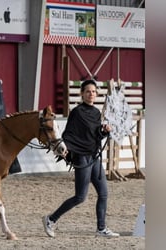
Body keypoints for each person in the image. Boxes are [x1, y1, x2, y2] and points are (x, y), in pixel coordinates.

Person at [42, 79, 119, 238]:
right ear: (82, 94)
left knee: (103, 193)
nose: (91, 94)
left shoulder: (97, 113)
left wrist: (104, 131)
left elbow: (95, 136)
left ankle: (101, 228)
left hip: (94, 157)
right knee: (80, 197)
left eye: (94, 91)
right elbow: (68, 134)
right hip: (82, 158)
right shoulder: (77, 112)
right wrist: (67, 149)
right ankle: (50, 219)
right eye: (88, 91)